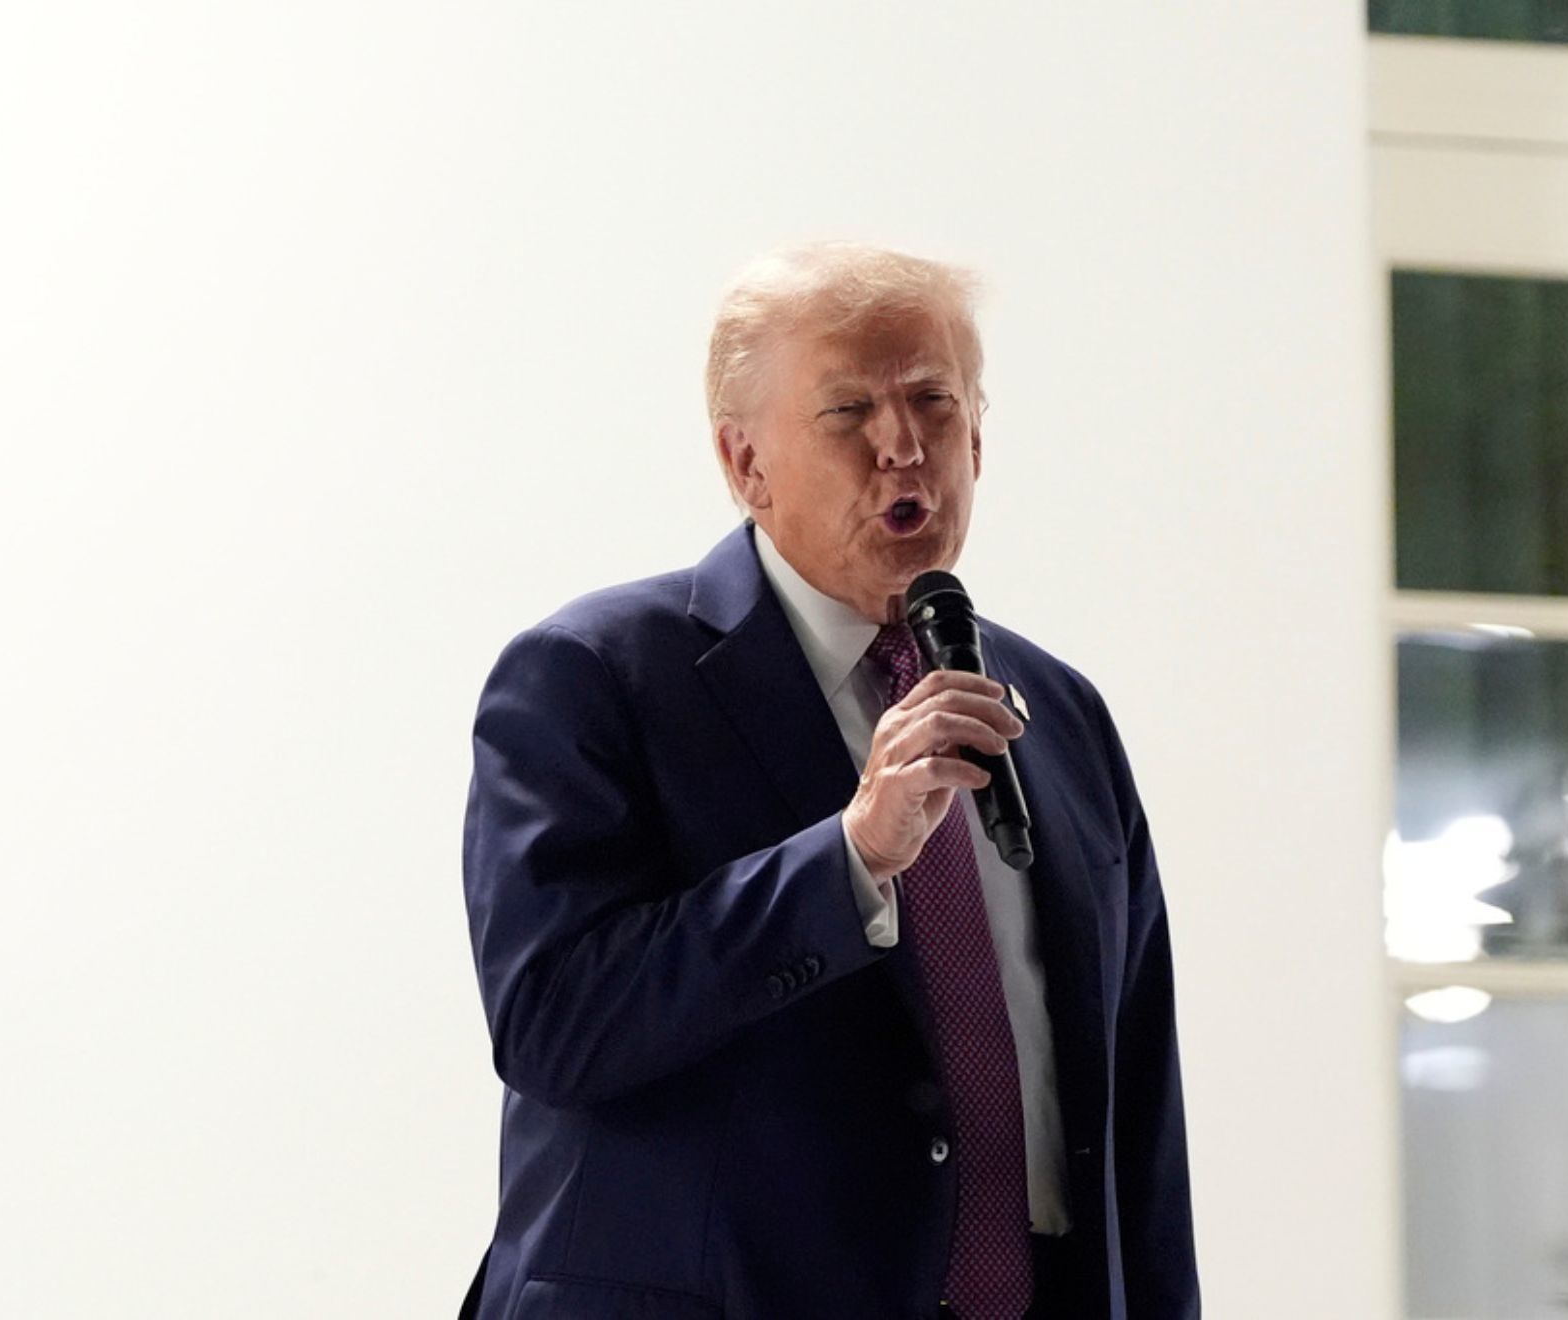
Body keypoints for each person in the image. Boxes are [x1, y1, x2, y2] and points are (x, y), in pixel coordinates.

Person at [458, 242, 1197, 1319]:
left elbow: (1137, 1106)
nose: (904, 447)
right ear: (745, 463)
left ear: (980, 438)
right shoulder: (593, 676)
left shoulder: (1061, 711)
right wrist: (849, 861)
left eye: (934, 401)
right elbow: (552, 1024)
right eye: (850, 411)